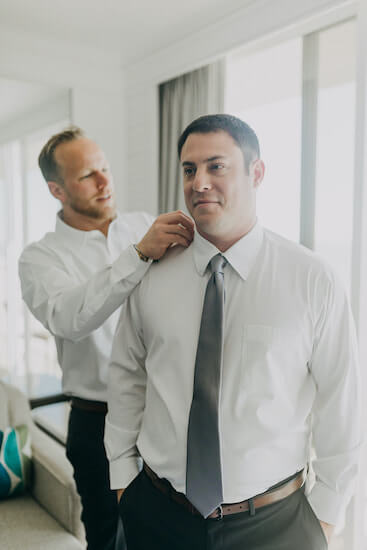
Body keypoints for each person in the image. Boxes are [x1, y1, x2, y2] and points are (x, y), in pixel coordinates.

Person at [105, 114, 362, 550]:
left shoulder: (313, 279)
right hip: (157, 511)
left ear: (256, 172)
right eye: (189, 170)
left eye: (216, 166)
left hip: (276, 524)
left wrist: (326, 516)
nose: (199, 182)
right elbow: (127, 374)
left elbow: (343, 403)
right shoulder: (152, 273)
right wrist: (123, 477)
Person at [18, 126, 194, 550]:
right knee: (108, 538)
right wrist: (138, 257)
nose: (104, 182)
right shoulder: (40, 258)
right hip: (95, 422)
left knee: (173, 533)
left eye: (106, 169)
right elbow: (70, 317)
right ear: (57, 190)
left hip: (164, 412)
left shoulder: (143, 225)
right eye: (87, 176)